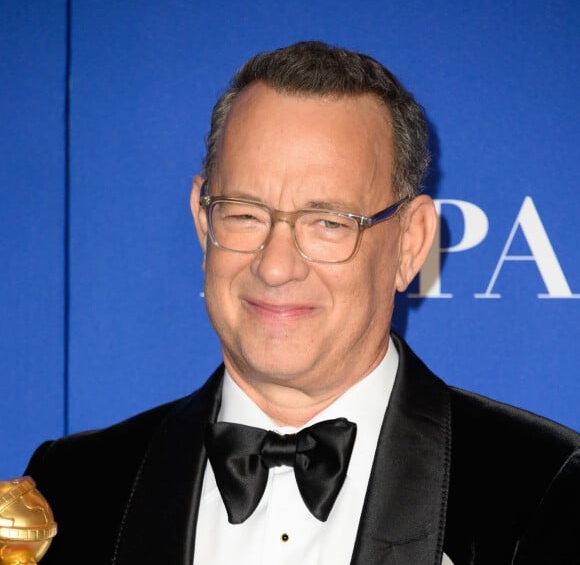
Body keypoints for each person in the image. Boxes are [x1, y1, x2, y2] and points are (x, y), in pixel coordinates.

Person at [24, 41, 579, 565]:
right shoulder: (70, 490)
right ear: (202, 220)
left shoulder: (544, 488)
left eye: (328, 223)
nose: (275, 265)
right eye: (244, 213)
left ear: (410, 243)